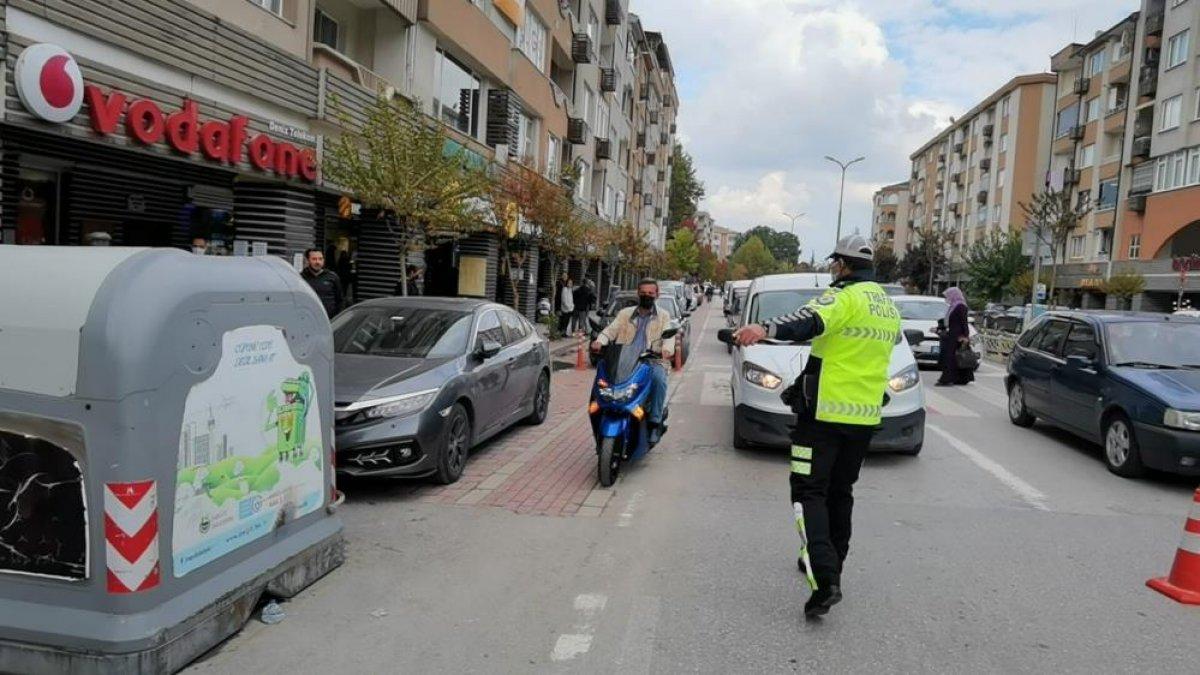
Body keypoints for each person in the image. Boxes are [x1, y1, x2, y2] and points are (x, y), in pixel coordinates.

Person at [733, 234, 901, 619]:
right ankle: (834, 564)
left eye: (834, 264)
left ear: (843, 265)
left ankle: (825, 579)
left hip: (824, 415)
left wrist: (763, 328)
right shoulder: (886, 306)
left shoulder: (844, 295)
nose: (832, 271)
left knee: (808, 490)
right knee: (841, 492)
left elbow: (808, 320)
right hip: (864, 418)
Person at [591, 278, 674, 445]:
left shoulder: (664, 316)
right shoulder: (625, 314)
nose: (646, 296)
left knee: (659, 380)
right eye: (643, 293)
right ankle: (599, 414)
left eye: (650, 293)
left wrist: (666, 350)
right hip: (625, 360)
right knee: (603, 380)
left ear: (657, 295)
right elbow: (610, 331)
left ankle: (654, 423)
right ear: (638, 293)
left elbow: (669, 337)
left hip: (651, 361)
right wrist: (600, 341)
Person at [936, 286, 974, 386]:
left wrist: (965, 336)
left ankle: (947, 379)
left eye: (948, 295)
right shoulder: (953, 306)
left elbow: (964, 322)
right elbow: (948, 321)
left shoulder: (961, 306)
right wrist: (939, 328)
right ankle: (957, 378)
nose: (947, 298)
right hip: (952, 334)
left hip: (958, 336)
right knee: (953, 357)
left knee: (952, 357)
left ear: (954, 295)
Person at [301, 248, 344, 318]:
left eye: (320, 259)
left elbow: (340, 300)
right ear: (308, 260)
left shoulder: (332, 277)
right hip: (308, 319)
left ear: (323, 260)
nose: (318, 262)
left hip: (329, 320)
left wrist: (337, 318)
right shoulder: (301, 278)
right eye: (314, 259)